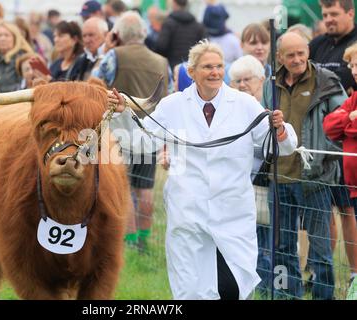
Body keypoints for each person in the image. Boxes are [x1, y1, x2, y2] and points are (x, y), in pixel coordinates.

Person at [107, 39, 298, 299]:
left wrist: (281, 130)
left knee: (233, 287)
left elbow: (278, 149)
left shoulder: (244, 104)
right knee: (191, 289)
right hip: (188, 213)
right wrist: (122, 115)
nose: (215, 72)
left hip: (232, 214)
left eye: (219, 66)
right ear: (191, 71)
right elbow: (142, 143)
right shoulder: (173, 105)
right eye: (208, 67)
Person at [262, 31, 348, 299]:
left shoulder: (327, 81)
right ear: (279, 57)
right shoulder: (269, 84)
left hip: (315, 179)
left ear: (308, 52)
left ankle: (325, 297)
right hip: (279, 177)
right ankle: (289, 295)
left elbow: (344, 124)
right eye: (291, 54)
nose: (297, 59)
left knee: (320, 249)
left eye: (301, 52)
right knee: (283, 246)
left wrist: (325, 157)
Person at [93, 11, 171, 253]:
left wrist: (106, 49)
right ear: (143, 33)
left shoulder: (114, 55)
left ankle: (129, 243)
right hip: (149, 134)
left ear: (118, 34)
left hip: (119, 135)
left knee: (123, 189)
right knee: (145, 190)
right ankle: (144, 243)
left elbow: (92, 83)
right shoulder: (161, 61)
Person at [309, 0, 357, 291]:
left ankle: (354, 271)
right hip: (324, 141)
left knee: (347, 209)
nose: (328, 20)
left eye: (334, 14)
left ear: (350, 13)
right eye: (325, 15)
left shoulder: (355, 43)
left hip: (349, 147)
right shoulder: (317, 45)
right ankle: (320, 269)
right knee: (322, 210)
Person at [228, 54, 271, 297]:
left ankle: (266, 287)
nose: (243, 85)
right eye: (237, 81)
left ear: (262, 80)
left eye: (248, 79)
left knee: (267, 241)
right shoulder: (232, 109)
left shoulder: (269, 107)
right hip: (238, 188)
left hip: (264, 183)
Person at [323, 42, 357, 289]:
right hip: (354, 184)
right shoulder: (354, 97)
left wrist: (347, 124)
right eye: (351, 65)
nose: (354, 70)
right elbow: (329, 127)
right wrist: (349, 118)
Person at [155, 0, 206, 69]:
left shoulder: (168, 24)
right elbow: (204, 46)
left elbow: (161, 47)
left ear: (174, 3)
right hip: (193, 67)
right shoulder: (198, 25)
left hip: (172, 66)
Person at [67, 17, 108, 81]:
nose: (87, 40)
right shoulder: (81, 59)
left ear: (105, 35)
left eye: (91, 35)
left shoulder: (112, 57)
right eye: (84, 36)